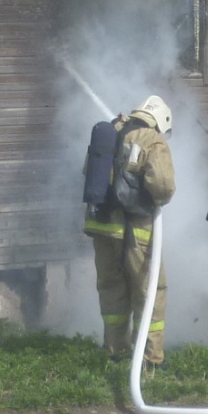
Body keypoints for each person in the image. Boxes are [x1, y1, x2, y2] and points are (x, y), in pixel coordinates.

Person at [84, 95, 176, 365]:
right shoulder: (152, 139)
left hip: (101, 227)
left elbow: (88, 171)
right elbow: (163, 186)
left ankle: (115, 350)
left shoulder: (109, 132)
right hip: (136, 231)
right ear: (161, 121)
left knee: (113, 289)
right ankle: (150, 359)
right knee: (149, 291)